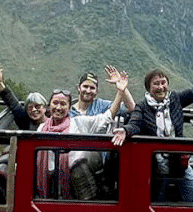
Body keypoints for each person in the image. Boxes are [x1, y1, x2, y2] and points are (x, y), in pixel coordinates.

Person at [112, 69, 193, 203]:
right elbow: (135, 123)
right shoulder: (142, 107)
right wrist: (125, 130)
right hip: (156, 167)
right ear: (148, 88)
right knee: (157, 202)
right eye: (156, 84)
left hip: (178, 163)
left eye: (163, 83)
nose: (161, 87)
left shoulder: (175, 100)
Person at [37, 71, 130, 199]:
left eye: (63, 104)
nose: (58, 107)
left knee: (79, 168)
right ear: (49, 106)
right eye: (55, 103)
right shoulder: (42, 128)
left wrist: (120, 92)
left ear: (69, 108)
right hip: (50, 179)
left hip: (77, 177)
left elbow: (106, 117)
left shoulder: (78, 122)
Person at [0, 64, 47, 130]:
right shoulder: (25, 123)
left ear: (45, 107)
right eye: (30, 108)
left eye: (37, 106)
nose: (34, 110)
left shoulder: (54, 122)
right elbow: (13, 103)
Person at [71, 66, 136, 118]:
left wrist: (121, 85)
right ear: (79, 88)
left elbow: (131, 108)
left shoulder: (102, 105)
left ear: (97, 91)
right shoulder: (68, 109)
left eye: (92, 88)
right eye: (85, 86)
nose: (88, 91)